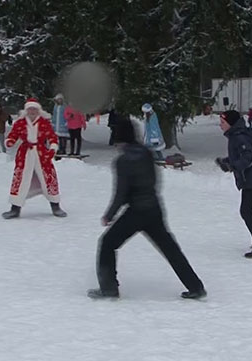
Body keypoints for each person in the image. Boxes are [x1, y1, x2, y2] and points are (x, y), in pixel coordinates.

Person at [87, 117, 206, 300]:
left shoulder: (123, 161)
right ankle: (196, 286)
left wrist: (109, 215)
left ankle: (109, 288)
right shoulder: (146, 152)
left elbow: (121, 192)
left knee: (107, 243)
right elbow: (154, 181)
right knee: (170, 249)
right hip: (154, 208)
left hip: (136, 212)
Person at [216, 109, 252, 258]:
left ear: (231, 123)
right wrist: (228, 161)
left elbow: (248, 158)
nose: (220, 125)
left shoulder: (239, 137)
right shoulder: (236, 136)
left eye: (222, 123)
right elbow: (240, 155)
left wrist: (233, 166)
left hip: (251, 178)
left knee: (246, 210)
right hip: (250, 177)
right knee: (248, 209)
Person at [2, 98, 67, 219]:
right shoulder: (20, 123)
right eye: (30, 109)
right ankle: (15, 208)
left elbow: (52, 137)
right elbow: (13, 135)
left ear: (38, 110)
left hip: (41, 155)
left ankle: (55, 206)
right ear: (26, 110)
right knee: (20, 179)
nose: (32, 111)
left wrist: (52, 148)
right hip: (25, 154)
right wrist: (10, 141)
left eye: (34, 109)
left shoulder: (44, 122)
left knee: (49, 178)